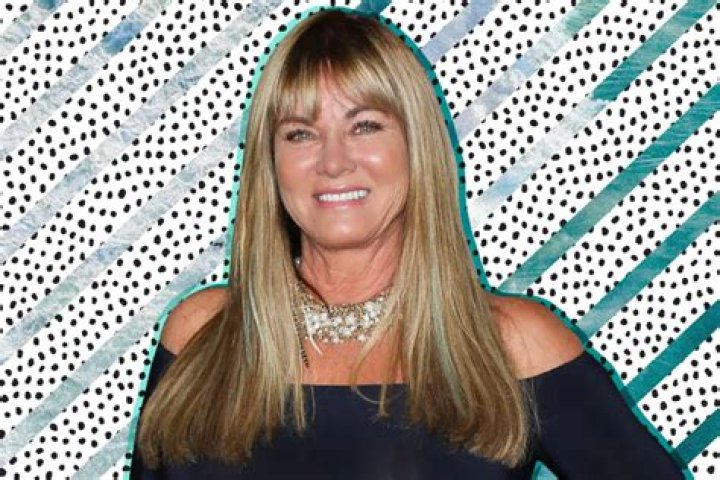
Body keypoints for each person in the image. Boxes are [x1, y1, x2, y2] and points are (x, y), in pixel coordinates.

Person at [129, 7, 685, 479]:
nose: (333, 161)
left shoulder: (512, 346)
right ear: (269, 164)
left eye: (365, 126)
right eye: (300, 133)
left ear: (417, 147)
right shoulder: (200, 335)